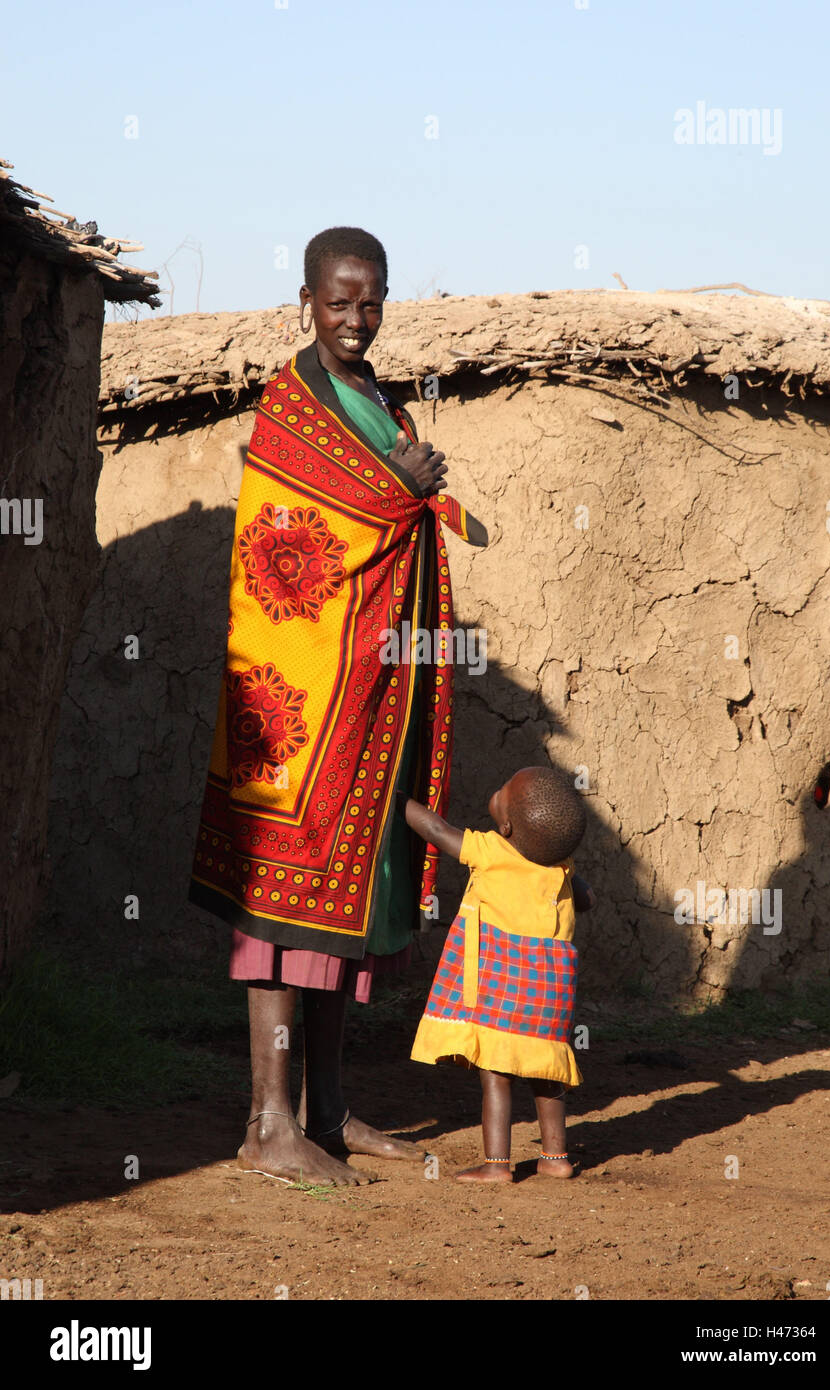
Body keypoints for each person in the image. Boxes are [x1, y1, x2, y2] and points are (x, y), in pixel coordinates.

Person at [189, 226, 486, 1186]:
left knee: (348, 908)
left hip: (369, 701)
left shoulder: (373, 401)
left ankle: (327, 1110)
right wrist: (398, 490)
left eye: (372, 301)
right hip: (300, 711)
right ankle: (268, 1122)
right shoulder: (291, 409)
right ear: (306, 301)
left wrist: (403, 493)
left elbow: (387, 517)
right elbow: (291, 547)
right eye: (339, 301)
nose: (356, 319)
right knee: (282, 905)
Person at [403, 766, 594, 1182]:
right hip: (548, 993)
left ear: (506, 825)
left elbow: (435, 830)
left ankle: (497, 1167)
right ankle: (555, 1158)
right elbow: (587, 899)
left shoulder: (492, 849)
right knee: (546, 1070)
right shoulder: (561, 866)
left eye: (505, 789)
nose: (500, 786)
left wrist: (395, 799)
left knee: (497, 1072)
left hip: (501, 990)